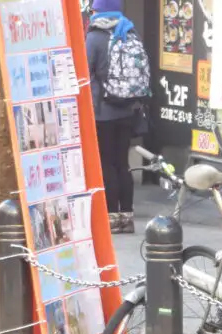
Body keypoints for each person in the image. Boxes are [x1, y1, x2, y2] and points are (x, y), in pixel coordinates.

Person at [85, 0, 147, 233]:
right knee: (122, 162)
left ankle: (111, 217)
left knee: (107, 164)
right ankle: (127, 217)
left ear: (98, 10)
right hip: (128, 109)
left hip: (104, 111)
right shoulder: (130, 31)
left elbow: (85, 72)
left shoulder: (95, 36)